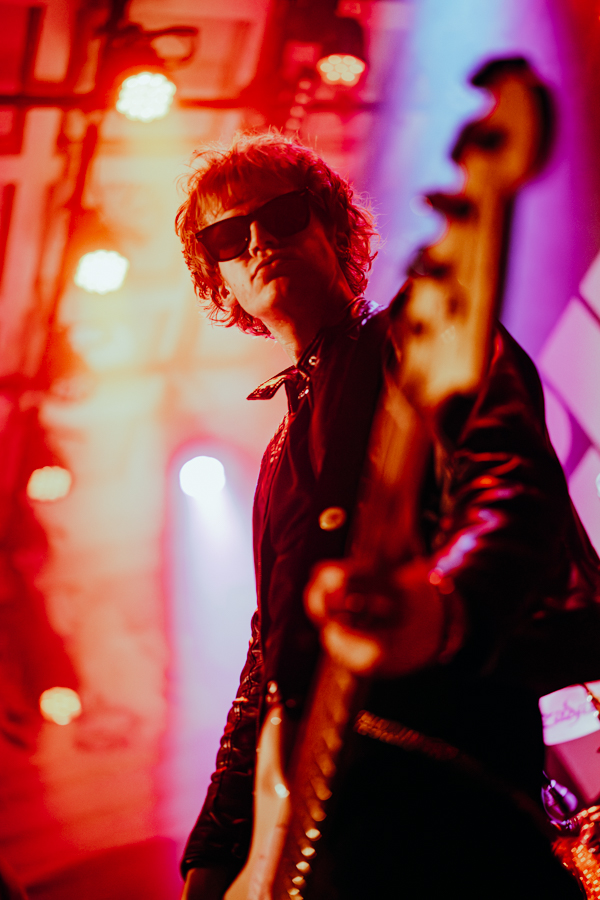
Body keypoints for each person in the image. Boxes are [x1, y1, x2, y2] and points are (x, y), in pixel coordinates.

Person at [175, 131, 598, 899]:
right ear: (219, 280)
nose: (259, 241)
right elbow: (269, 660)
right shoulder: (276, 453)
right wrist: (214, 852)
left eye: (282, 214)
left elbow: (511, 489)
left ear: (335, 227)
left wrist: (444, 607)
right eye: (228, 236)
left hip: (447, 790)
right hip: (321, 828)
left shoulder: (423, 341)